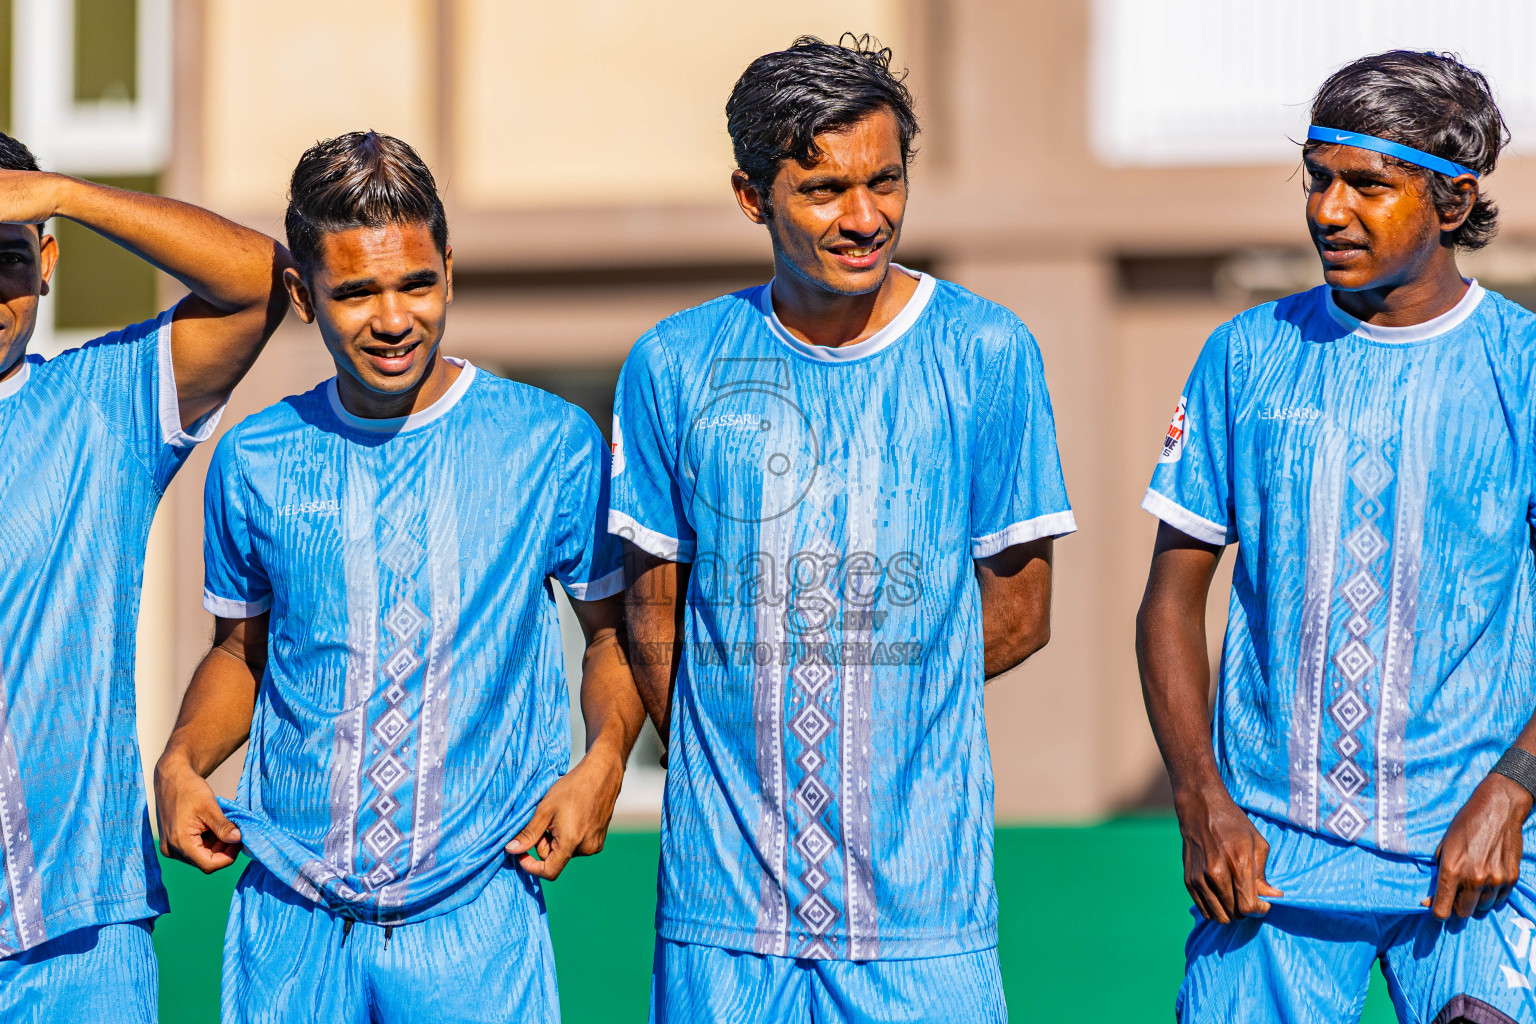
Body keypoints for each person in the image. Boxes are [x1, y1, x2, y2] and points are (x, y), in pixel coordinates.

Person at [610, 35, 1074, 1023]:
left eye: (886, 181)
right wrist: (735, 737)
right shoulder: (673, 364)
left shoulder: (990, 353)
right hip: (722, 911)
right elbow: (653, 610)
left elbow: (1023, 612)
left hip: (924, 910)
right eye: (824, 189)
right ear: (752, 196)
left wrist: (870, 686)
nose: (866, 218)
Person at [152, 131, 645, 1024]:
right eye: (356, 292)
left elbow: (613, 635)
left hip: (476, 920)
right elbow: (241, 653)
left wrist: (604, 759)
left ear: (448, 271)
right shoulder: (253, 459)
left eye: (415, 282)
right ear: (304, 295)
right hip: (289, 925)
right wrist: (183, 762)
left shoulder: (552, 444)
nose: (392, 318)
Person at [1137, 51, 1536, 1023]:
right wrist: (1200, 799)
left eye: (1367, 184)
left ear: (1451, 200)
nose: (1328, 209)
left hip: (1473, 869)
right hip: (1269, 865)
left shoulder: (1521, 366)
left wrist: (1513, 792)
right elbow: (1170, 603)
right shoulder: (1246, 354)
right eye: (1317, 178)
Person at [0, 136, 288, 1021]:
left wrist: (62, 193)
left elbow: (259, 282)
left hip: (76, 936)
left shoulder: (98, 404)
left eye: (6, 258)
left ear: (47, 262)